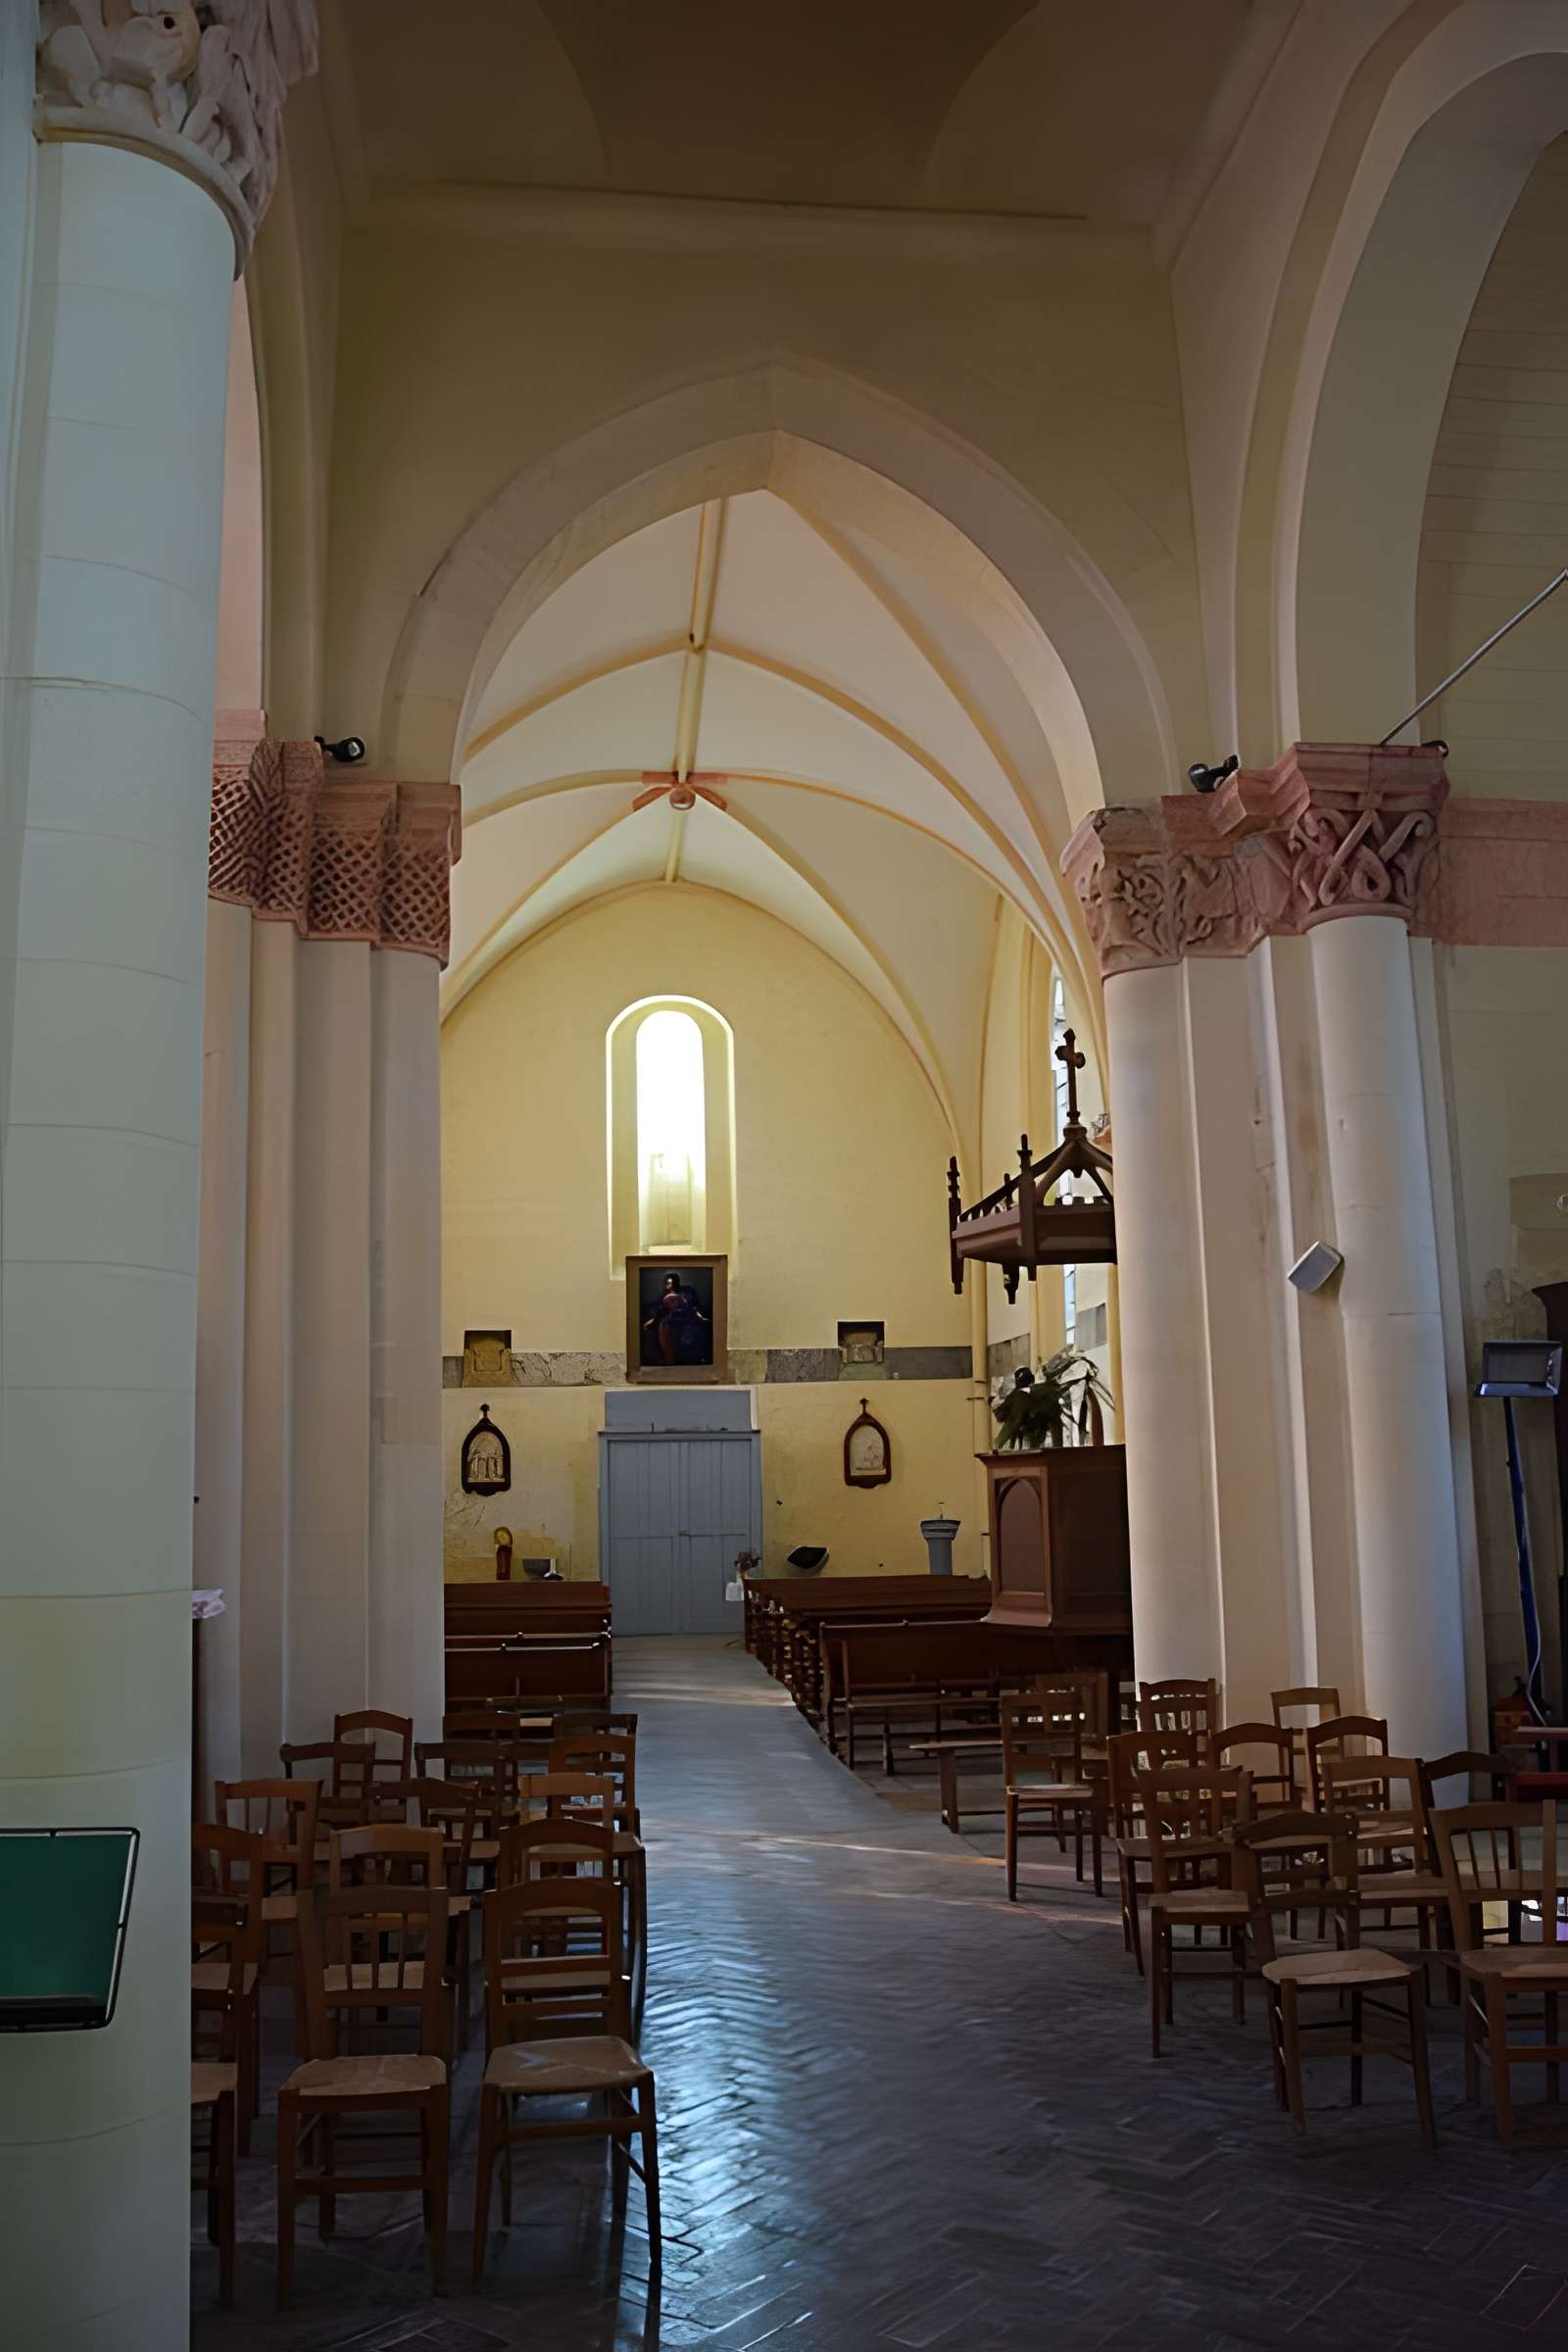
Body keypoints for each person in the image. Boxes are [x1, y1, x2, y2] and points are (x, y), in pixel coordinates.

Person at [643, 1271, 710, 1365]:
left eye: (670, 1283)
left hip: (684, 1315)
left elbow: (692, 1308)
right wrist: (656, 1320)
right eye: (667, 1283)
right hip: (671, 1318)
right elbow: (662, 1311)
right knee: (662, 1326)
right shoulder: (666, 1296)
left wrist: (699, 1317)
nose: (668, 1286)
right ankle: (668, 1358)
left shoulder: (685, 1293)